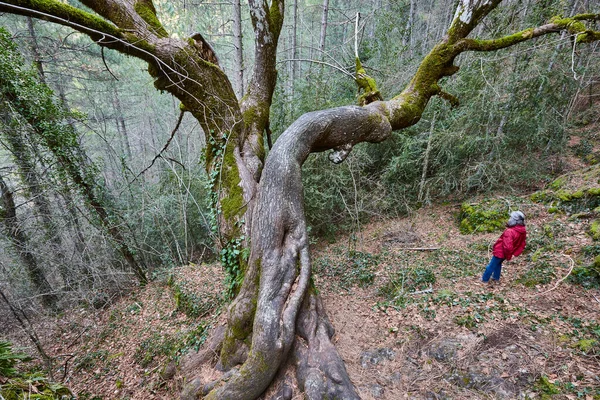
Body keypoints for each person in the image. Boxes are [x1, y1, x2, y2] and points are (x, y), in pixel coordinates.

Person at [480, 211, 527, 284]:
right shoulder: (522, 230)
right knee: (498, 264)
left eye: (511, 218)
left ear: (515, 220)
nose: (509, 219)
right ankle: (496, 278)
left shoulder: (510, 231)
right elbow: (522, 243)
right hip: (505, 253)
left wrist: (508, 255)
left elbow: (508, 246)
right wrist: (512, 253)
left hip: (501, 251)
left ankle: (484, 279)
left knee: (491, 266)